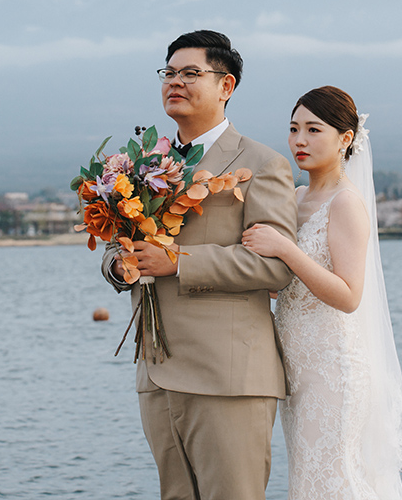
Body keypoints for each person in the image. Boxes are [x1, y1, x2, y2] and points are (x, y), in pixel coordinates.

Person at [101, 30, 299, 500]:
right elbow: (119, 247)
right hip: (157, 369)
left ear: (226, 86)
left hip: (226, 374)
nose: (176, 82)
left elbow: (275, 268)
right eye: (169, 73)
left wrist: (176, 262)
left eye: (191, 73)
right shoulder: (142, 163)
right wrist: (119, 266)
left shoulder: (261, 163)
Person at [241, 86, 402, 500]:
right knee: (307, 478)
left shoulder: (346, 203)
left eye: (314, 130)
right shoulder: (296, 198)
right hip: (294, 366)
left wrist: (283, 249)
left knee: (333, 479)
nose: (299, 140)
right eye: (294, 128)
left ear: (345, 139)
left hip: (333, 366)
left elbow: (349, 295)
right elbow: (294, 287)